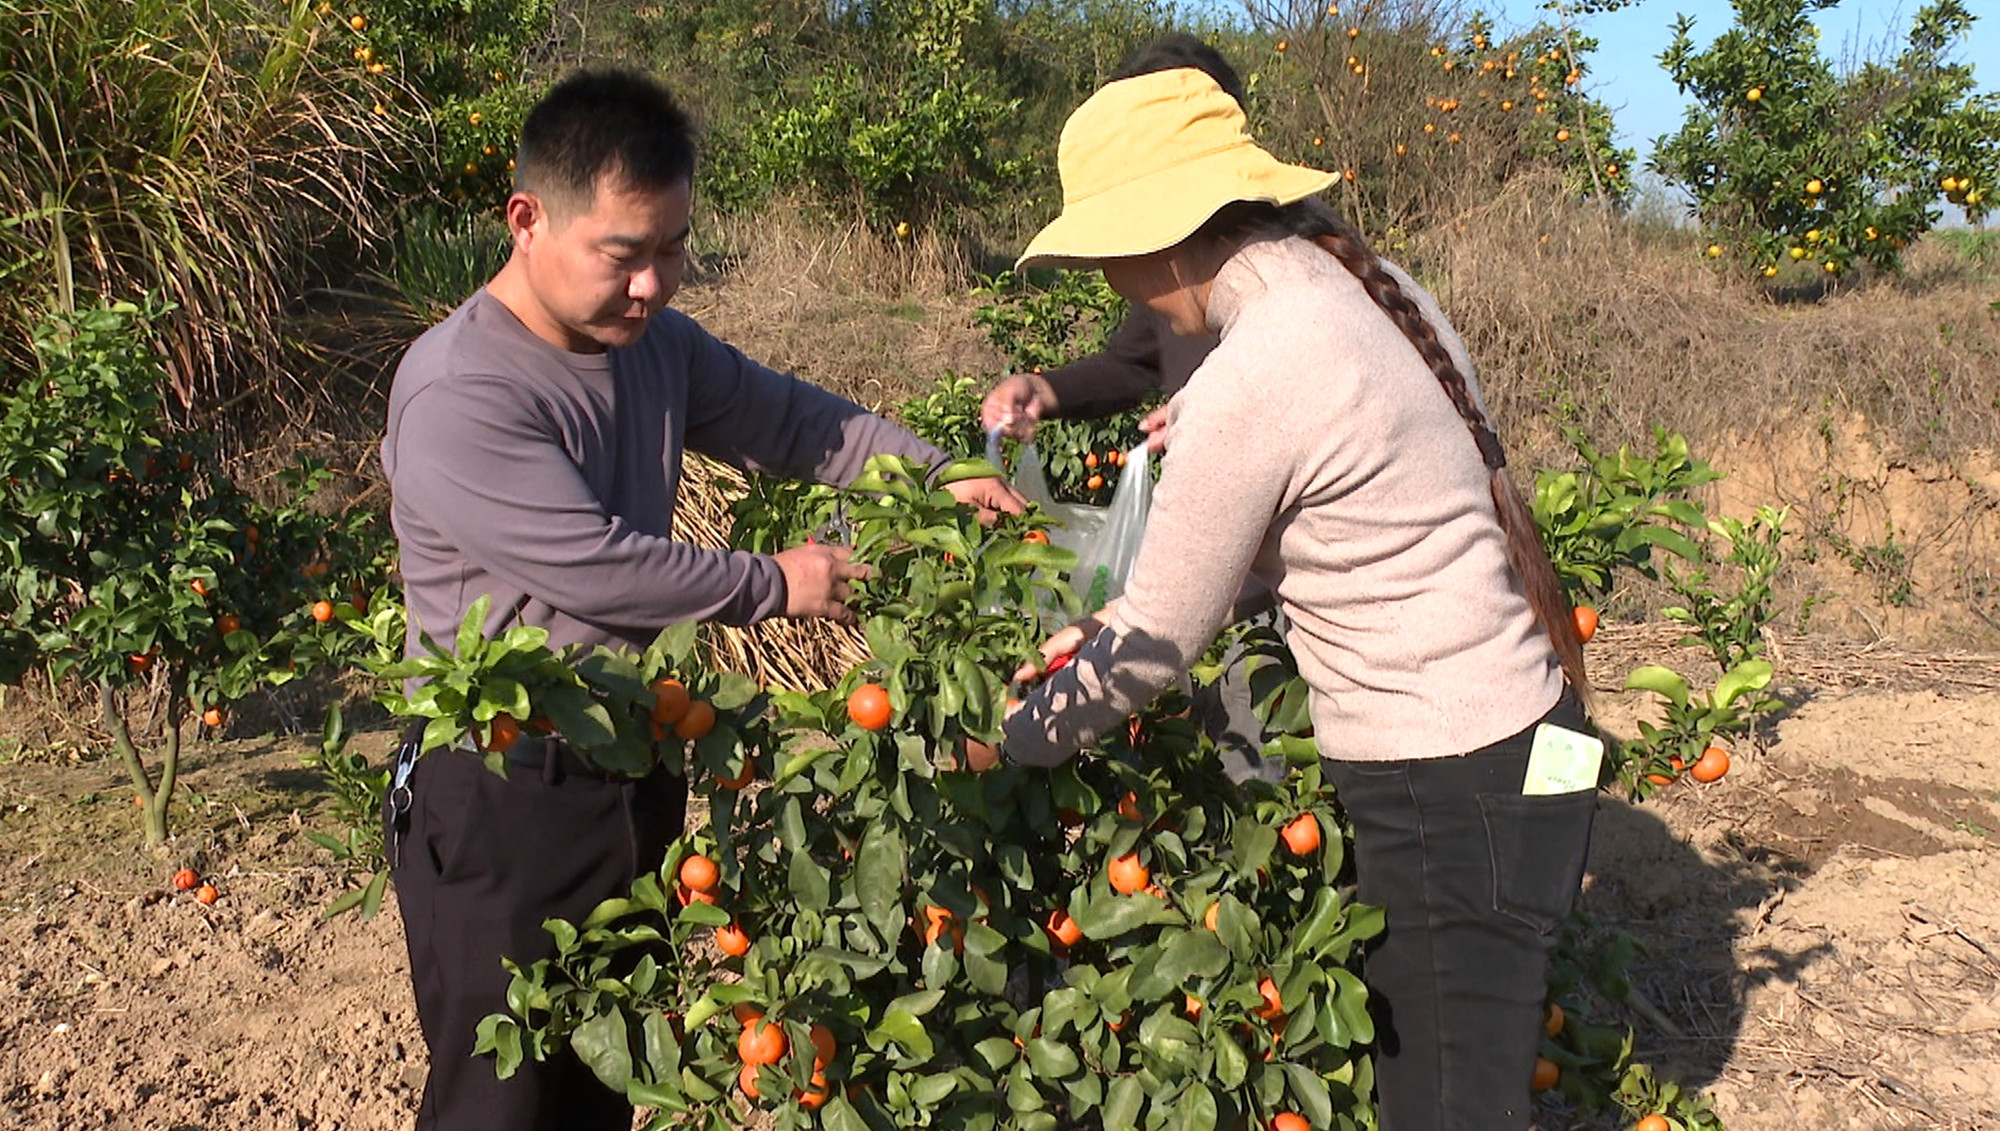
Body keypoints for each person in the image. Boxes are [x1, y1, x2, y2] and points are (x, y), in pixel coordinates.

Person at [379, 68, 1018, 1131]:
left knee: (605, 1075)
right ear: (526, 220)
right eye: (624, 255)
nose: (653, 284)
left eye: (673, 248)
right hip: (498, 788)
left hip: (627, 762)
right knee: (501, 1103)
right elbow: (595, 567)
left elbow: (797, 423)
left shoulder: (655, 346)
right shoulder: (463, 390)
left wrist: (934, 474)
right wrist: (777, 584)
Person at [980, 68, 1597, 1131]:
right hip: (1527, 741)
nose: (1113, 285)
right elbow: (1338, 526)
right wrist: (1108, 624)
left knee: (1449, 1109)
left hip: (1450, 788)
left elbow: (1160, 641)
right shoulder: (1355, 288)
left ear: (1160, 237)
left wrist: (1010, 738)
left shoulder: (1256, 367)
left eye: (1106, 256)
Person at [983, 34, 1285, 785]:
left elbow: (1271, 404)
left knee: (1262, 782)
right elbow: (1132, 362)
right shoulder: (1186, 271)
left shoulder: (1284, 289)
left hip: (1263, 595)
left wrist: (1020, 741)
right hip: (1195, 570)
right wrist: (1045, 389)